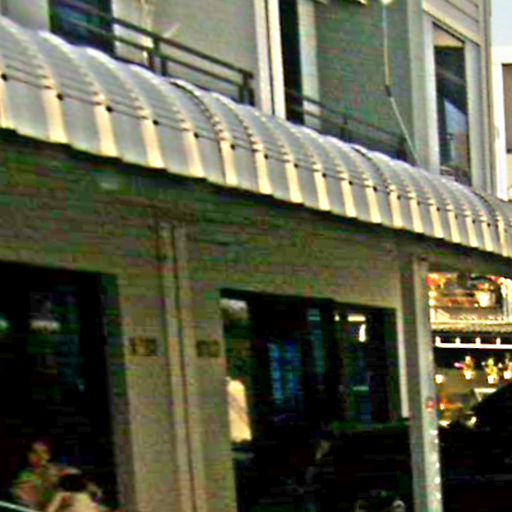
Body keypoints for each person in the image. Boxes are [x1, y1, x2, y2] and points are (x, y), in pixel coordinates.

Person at [12, 439, 61, 510]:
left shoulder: (56, 471)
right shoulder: (25, 476)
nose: (40, 456)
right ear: (29, 455)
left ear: (49, 455)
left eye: (43, 452)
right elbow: (33, 503)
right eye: (35, 452)